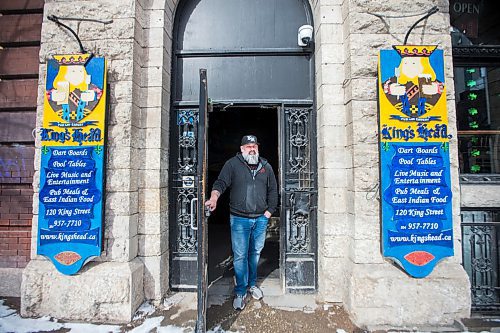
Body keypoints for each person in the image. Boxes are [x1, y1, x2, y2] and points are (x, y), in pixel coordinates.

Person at [205, 134, 278, 310]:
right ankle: (240, 291)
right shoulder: (232, 165)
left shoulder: (265, 166)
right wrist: (214, 197)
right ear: (242, 149)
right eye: (248, 146)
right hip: (239, 219)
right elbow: (221, 183)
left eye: (255, 146)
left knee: (255, 253)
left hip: (260, 219)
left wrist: (269, 212)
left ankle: (252, 285)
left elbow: (273, 190)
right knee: (240, 256)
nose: (252, 149)